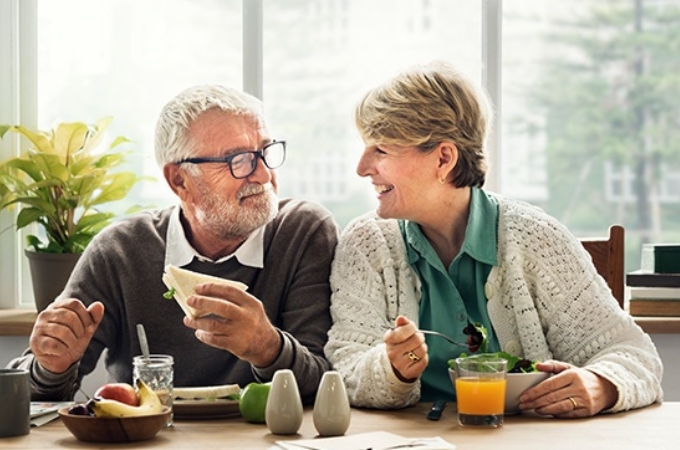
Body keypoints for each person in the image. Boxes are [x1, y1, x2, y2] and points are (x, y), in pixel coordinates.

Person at [324, 61, 663, 417]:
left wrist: (603, 383)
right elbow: (345, 368)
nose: (362, 168)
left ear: (443, 158)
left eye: (381, 149)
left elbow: (633, 353)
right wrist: (391, 369)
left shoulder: (537, 238)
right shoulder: (366, 243)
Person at [8, 85, 339, 404]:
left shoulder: (303, 232)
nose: (264, 176)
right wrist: (51, 366)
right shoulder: (120, 251)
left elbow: (326, 387)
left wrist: (266, 346)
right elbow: (28, 396)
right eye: (238, 160)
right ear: (179, 180)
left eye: (265, 152)